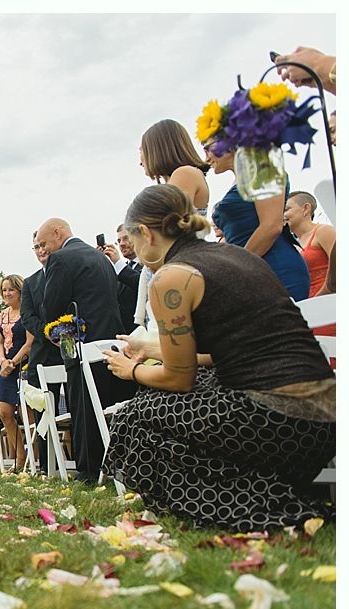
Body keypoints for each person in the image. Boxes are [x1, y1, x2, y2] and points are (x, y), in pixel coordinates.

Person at [102, 184, 335, 531]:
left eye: (132, 242)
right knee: (192, 391)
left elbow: (179, 379)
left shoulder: (171, 277)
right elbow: (233, 348)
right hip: (324, 419)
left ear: (146, 234)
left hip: (281, 419)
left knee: (135, 417)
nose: (134, 250)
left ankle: (270, 504)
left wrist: (131, 369)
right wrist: (152, 349)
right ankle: (273, 492)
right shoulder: (238, 256)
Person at [38, 217, 130, 483]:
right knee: (109, 404)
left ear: (58, 233)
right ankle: (118, 466)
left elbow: (52, 307)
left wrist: (51, 327)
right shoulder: (100, 257)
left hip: (79, 344)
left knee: (83, 406)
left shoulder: (61, 259)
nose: (44, 250)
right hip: (110, 343)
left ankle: (89, 469)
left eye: (44, 243)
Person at [204, 140, 310, 301]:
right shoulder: (241, 180)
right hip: (254, 270)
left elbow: (271, 226)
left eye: (207, 148)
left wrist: (238, 267)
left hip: (276, 268)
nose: (206, 158)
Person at [135, 119, 211, 328]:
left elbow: (165, 225)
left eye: (142, 151)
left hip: (182, 266)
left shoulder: (184, 173)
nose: (140, 160)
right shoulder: (179, 177)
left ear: (158, 149)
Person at [20, 231, 62, 474]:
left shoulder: (66, 272)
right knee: (43, 408)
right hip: (43, 351)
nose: (40, 251)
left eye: (43, 245)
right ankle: (47, 465)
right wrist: (47, 333)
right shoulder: (31, 282)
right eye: (35, 247)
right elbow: (27, 316)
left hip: (66, 348)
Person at [0, 275, 33, 470]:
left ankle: (35, 458)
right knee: (4, 412)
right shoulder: (4, 314)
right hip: (6, 368)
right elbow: (0, 342)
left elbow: (29, 342)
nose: (6, 293)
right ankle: (20, 457)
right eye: (4, 290)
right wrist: (2, 361)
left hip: (23, 365)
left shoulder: (27, 312)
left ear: (19, 291)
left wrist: (13, 361)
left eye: (10, 289)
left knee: (28, 413)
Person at [284, 191, 335, 298]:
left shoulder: (323, 231)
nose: (281, 216)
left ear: (306, 208)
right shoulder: (292, 245)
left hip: (329, 301)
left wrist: (321, 295)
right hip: (308, 306)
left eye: (286, 210)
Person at [100, 224, 144, 334]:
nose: (122, 244)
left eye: (126, 238)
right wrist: (101, 262)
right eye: (118, 241)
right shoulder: (122, 270)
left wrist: (117, 263)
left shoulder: (148, 265)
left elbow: (141, 284)